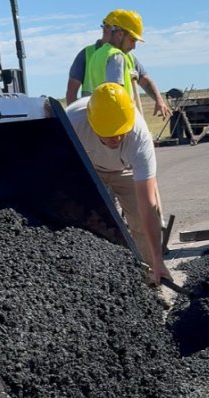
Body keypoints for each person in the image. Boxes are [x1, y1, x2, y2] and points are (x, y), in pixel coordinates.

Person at [67, 82, 171, 288]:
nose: (115, 138)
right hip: (89, 167)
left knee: (142, 219)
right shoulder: (73, 122)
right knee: (90, 221)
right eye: (108, 133)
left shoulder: (138, 136)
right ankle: (94, 281)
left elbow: (147, 205)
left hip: (125, 168)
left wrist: (159, 259)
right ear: (92, 122)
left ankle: (153, 278)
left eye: (120, 132)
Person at [65, 10, 170, 121]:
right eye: (132, 40)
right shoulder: (92, 54)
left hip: (101, 120)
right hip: (110, 119)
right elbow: (72, 91)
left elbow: (145, 80)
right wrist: (76, 120)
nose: (134, 47)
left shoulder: (125, 56)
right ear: (116, 31)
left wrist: (159, 100)